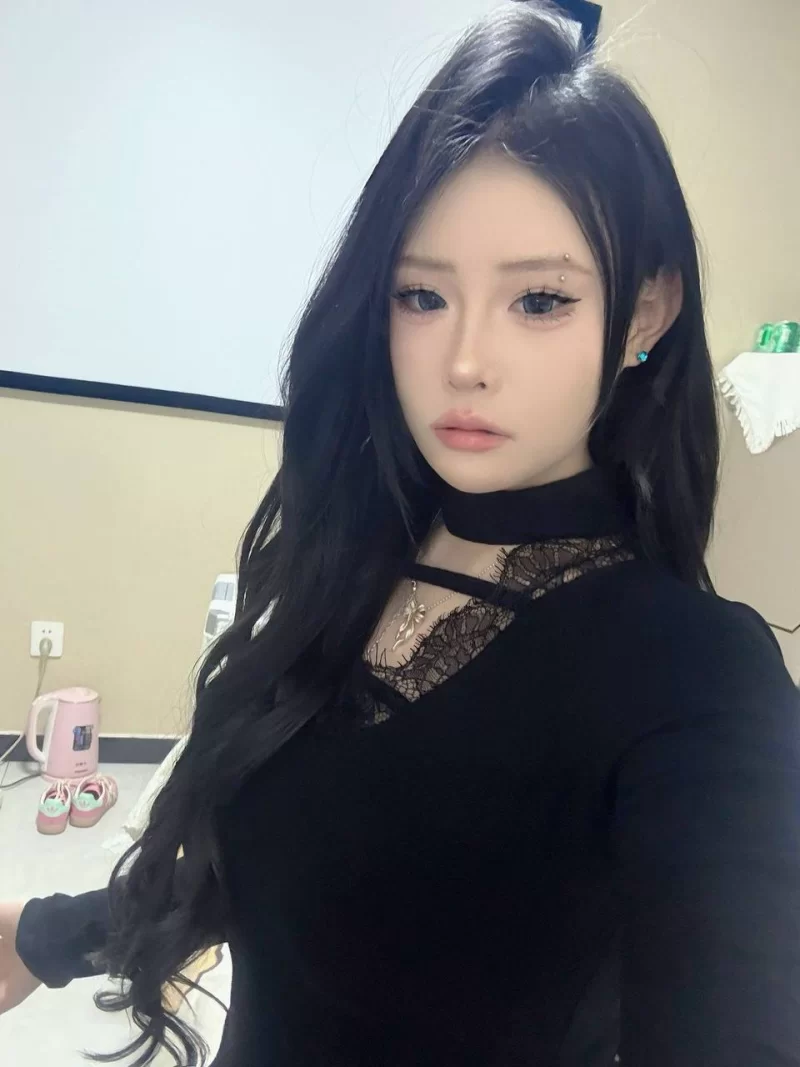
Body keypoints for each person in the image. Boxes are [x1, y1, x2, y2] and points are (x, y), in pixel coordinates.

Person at [2, 3, 800, 1065]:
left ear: (644, 314)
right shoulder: (358, 559)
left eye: (539, 301)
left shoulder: (696, 675)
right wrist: (44, 932)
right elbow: (280, 870)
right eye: (421, 294)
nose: (463, 360)